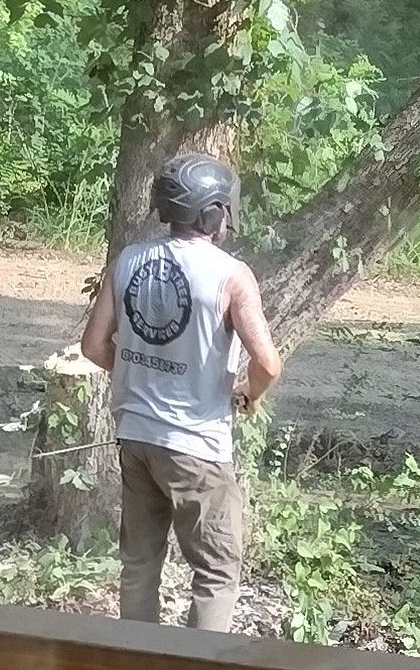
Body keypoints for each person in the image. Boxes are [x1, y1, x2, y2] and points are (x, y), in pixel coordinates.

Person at [80, 152, 282, 634]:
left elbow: (92, 346)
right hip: (197, 447)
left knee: (140, 565)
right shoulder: (231, 276)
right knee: (215, 572)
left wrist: (141, 373)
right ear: (215, 213)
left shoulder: (128, 260)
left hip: (137, 439)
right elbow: (268, 364)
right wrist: (247, 393)